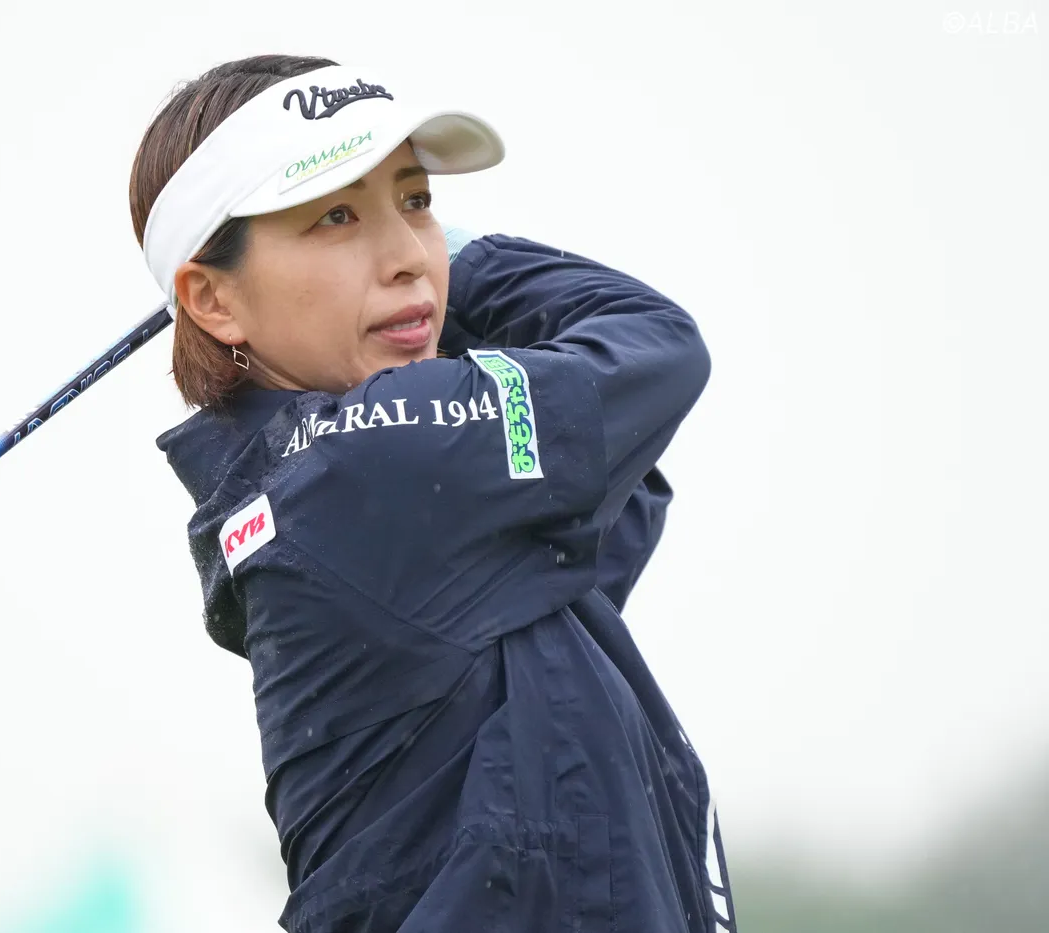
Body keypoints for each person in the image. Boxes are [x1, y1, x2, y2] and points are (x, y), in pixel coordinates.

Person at [133, 54, 737, 933]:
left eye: (416, 202)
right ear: (213, 299)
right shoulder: (370, 467)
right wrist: (466, 262)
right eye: (336, 215)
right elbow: (653, 343)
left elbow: (627, 498)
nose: (408, 256)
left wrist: (412, 281)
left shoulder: (331, 486)